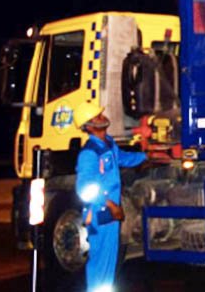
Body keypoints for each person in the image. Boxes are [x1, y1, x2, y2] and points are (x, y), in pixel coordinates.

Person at [73, 101, 147, 292]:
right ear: (89, 126)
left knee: (108, 261)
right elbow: (85, 189)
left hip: (109, 213)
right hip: (100, 213)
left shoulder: (108, 144)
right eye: (97, 117)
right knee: (101, 262)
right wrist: (110, 206)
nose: (102, 117)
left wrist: (147, 156)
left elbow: (124, 158)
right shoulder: (89, 153)